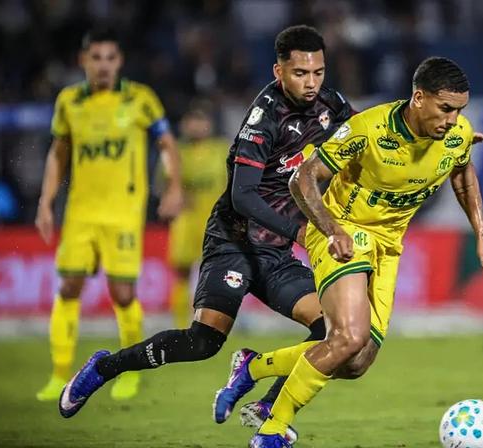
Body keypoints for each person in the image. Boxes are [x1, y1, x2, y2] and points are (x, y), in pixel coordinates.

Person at [58, 26, 353, 444]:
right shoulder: (263, 118)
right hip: (234, 242)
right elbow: (244, 196)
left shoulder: (330, 104)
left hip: (275, 253)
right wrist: (301, 230)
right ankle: (104, 368)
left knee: (333, 331)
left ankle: (267, 402)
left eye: (318, 73)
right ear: (279, 70)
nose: (311, 83)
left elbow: (366, 137)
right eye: (301, 73)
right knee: (203, 342)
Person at [210, 56, 483, 448]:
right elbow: (302, 178)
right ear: (418, 98)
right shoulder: (368, 129)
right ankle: (272, 431)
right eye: (445, 109)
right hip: (343, 231)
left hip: (389, 246)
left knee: (355, 361)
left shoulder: (457, 133)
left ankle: (255, 367)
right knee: (347, 337)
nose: (453, 119)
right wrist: (329, 228)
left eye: (460, 110)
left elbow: (461, 170)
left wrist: (482, 232)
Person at [34, 26, 183, 402]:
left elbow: (165, 143)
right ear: (83, 60)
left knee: (122, 292)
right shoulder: (69, 101)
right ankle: (58, 374)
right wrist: (45, 201)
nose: (103, 65)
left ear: (120, 62)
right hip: (81, 212)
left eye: (110, 58)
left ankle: (128, 373)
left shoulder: (140, 99)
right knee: (68, 287)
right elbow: (58, 153)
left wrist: (174, 185)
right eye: (95, 58)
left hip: (122, 214)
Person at [163, 106, 230, 329]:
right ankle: (180, 324)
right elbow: (165, 187)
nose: (195, 126)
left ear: (208, 125)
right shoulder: (176, 152)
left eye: (199, 121)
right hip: (186, 222)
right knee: (182, 273)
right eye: (190, 121)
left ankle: (214, 323)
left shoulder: (221, 150)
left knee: (217, 274)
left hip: (216, 221)